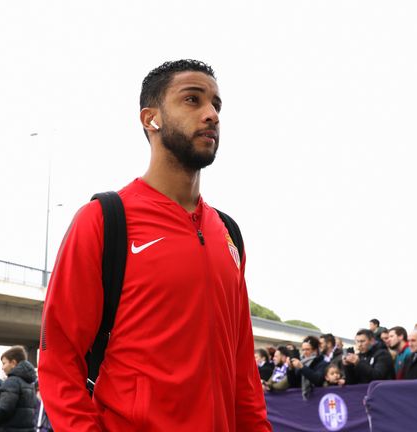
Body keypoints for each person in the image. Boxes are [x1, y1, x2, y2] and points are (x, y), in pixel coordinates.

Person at [38, 59, 270, 431]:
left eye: (216, 105)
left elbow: (243, 370)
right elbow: (59, 358)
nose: (211, 114)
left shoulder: (228, 232)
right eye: (192, 99)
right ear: (151, 119)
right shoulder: (103, 219)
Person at [0, 346, 37, 431]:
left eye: (4, 363)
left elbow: (4, 410)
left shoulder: (12, 382)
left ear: (13, 363)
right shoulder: (29, 383)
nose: (2, 368)